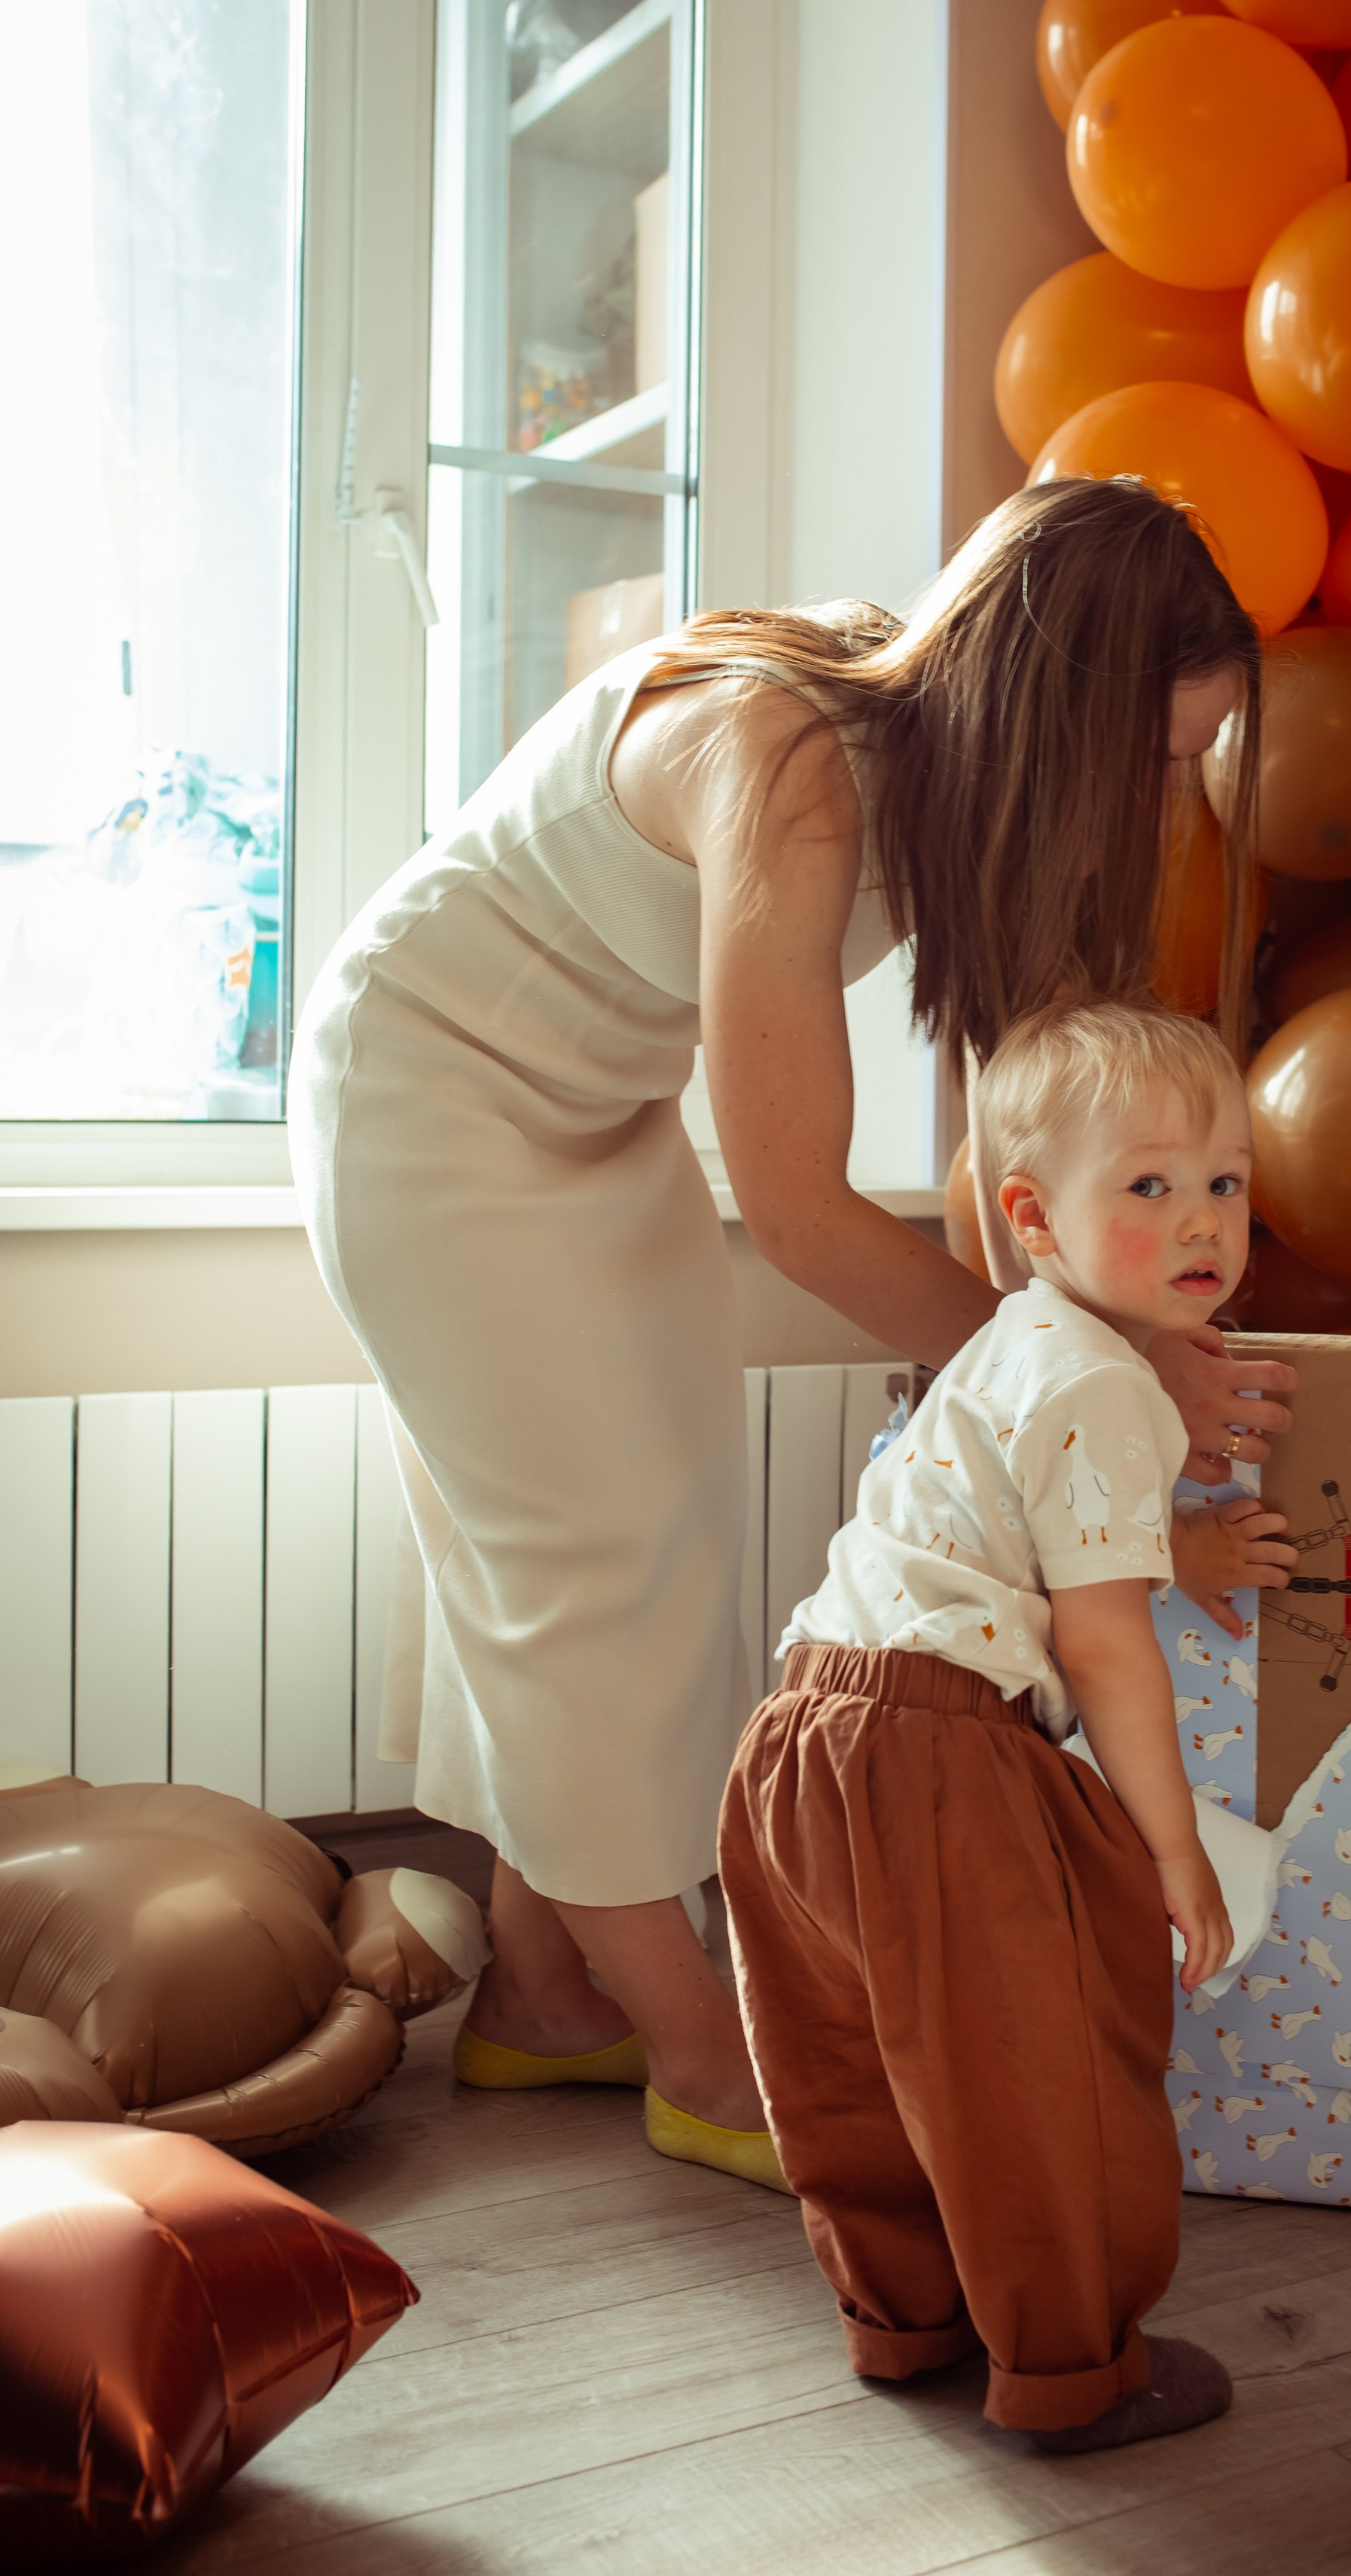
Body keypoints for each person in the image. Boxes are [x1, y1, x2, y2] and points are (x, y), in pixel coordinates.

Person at [288, 475, 1293, 2190]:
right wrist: (1088, 1376)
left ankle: (541, 1995)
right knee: (584, 1566)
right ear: (1055, 708)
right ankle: (704, 2056)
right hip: (428, 1104)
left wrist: (1103, 1329)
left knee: (658, 1549)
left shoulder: (967, 799)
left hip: (594, 1115)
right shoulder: (794, 761)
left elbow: (1021, 1152)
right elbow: (805, 1209)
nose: (1162, 794)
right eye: (1150, 752)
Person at [721, 997, 1292, 2448]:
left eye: (1225, 1180)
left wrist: (1188, 1548)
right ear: (1035, 1216)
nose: (1201, 1221)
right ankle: (1069, 2366)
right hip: (931, 1747)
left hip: (801, 1727)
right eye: (1149, 1185)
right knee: (1031, 2060)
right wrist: (1174, 1851)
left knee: (852, 2058)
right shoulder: (1106, 1379)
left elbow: (1031, 1531)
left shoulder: (1014, 1343)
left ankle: (905, 2320)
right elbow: (1101, 1639)